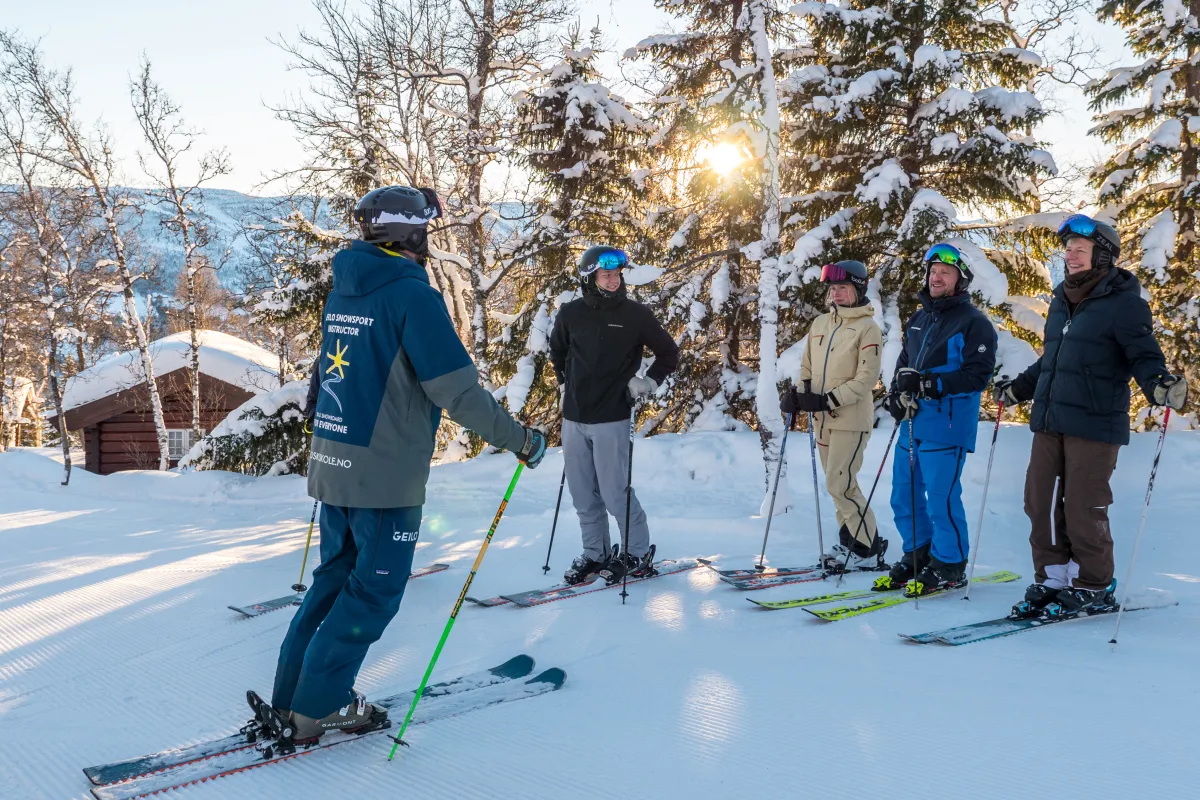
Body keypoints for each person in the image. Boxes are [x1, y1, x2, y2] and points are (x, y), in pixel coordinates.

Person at [275, 185, 548, 742]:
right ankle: (317, 708)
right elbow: (459, 394)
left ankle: (291, 698)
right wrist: (520, 439)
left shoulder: (345, 287)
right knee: (372, 592)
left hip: (335, 461)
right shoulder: (411, 296)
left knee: (332, 582)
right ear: (413, 235)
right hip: (384, 478)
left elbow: (328, 373)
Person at [994, 214, 1188, 617]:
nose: (1071, 256)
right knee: (1040, 501)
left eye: (1081, 249)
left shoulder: (1124, 305)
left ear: (1103, 257)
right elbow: (1052, 361)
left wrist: (1159, 385)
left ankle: (1094, 584)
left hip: (1095, 423)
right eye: (1068, 249)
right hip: (1050, 420)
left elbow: (1143, 355)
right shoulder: (1061, 301)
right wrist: (1018, 389)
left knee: (1083, 506)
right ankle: (1053, 577)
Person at [548, 245, 680, 586]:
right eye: (605, 275)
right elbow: (558, 351)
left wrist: (648, 382)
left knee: (613, 491)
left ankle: (636, 553)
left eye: (617, 275)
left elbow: (668, 352)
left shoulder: (635, 315)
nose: (612, 281)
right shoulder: (570, 313)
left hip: (612, 417)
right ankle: (596, 553)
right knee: (581, 493)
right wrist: (566, 384)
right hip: (574, 418)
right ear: (590, 278)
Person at [875, 242, 997, 596]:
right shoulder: (919, 318)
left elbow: (977, 376)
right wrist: (897, 394)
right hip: (913, 422)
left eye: (946, 272)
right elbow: (904, 365)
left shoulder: (974, 323)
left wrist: (930, 384)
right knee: (904, 495)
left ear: (961, 280)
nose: (937, 277)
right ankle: (918, 554)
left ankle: (950, 563)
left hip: (947, 424)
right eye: (933, 271)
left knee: (940, 498)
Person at [779, 260, 887, 572]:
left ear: (859, 289)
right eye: (833, 288)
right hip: (821, 422)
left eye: (843, 288)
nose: (836, 294)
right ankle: (851, 540)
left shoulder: (868, 329)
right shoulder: (821, 325)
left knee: (841, 485)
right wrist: (798, 395)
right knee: (835, 484)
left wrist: (826, 401)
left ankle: (867, 548)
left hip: (850, 422)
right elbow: (807, 368)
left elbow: (866, 380)